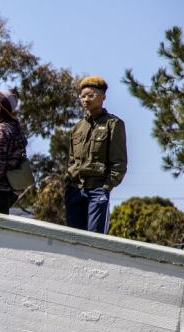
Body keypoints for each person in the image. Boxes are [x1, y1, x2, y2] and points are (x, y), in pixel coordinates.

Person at [64, 76, 127, 233]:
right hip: (75, 189)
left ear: (103, 97)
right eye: (83, 96)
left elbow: (119, 162)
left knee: (95, 239)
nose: (86, 99)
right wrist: (68, 185)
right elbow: (71, 161)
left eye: (91, 95)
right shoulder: (77, 128)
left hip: (98, 189)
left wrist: (106, 188)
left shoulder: (113, 124)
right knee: (73, 239)